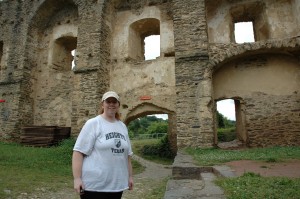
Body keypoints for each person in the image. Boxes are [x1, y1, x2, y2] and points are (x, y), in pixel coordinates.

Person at [72, 91, 133, 199]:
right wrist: (77, 179)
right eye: (108, 101)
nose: (111, 104)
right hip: (94, 186)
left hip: (116, 186)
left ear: (118, 105)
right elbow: (78, 152)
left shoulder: (122, 126)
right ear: (102, 104)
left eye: (114, 101)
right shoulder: (94, 123)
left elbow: (127, 156)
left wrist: (130, 177)